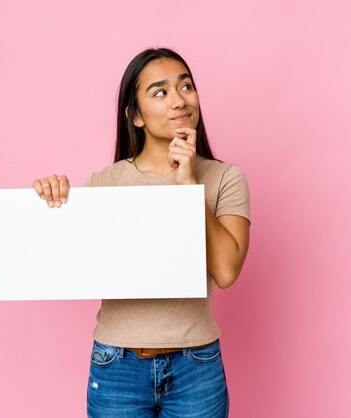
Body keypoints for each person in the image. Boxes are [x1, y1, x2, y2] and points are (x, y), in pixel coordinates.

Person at [31, 47, 251, 418]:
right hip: (117, 367)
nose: (179, 100)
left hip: (195, 365)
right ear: (135, 116)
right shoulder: (103, 184)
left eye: (186, 86)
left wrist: (189, 186)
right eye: (160, 92)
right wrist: (50, 198)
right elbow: (68, 263)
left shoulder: (224, 177)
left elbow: (227, 271)